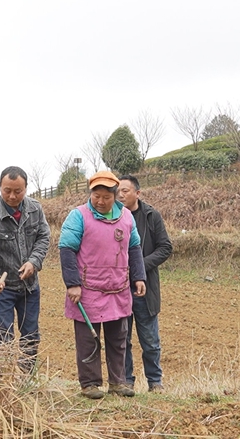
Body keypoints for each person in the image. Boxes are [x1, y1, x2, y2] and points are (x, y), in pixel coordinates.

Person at [59, 170, 147, 399]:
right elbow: (66, 250)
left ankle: (118, 382)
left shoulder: (126, 217)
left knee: (119, 338)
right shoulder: (78, 216)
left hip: (118, 287)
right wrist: (72, 284)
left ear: (115, 195)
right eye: (96, 195)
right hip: (87, 289)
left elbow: (134, 248)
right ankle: (90, 384)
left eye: (106, 197)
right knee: (88, 339)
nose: (100, 201)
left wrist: (139, 277)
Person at [0, 166, 51, 373]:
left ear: (26, 188)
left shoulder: (35, 209)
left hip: (29, 286)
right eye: (7, 190)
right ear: (0, 187)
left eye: (18, 191)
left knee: (30, 334)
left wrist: (34, 262)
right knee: (3, 336)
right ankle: (4, 378)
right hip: (2, 288)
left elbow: (44, 237)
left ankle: (26, 377)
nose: (12, 196)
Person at [117, 175, 172, 393]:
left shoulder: (151, 216)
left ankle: (155, 382)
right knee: (122, 339)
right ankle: (126, 381)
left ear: (137, 194)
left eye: (125, 191)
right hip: (118, 287)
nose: (120, 195)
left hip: (145, 289)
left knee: (150, 340)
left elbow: (165, 247)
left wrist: (140, 266)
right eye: (118, 191)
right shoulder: (113, 217)